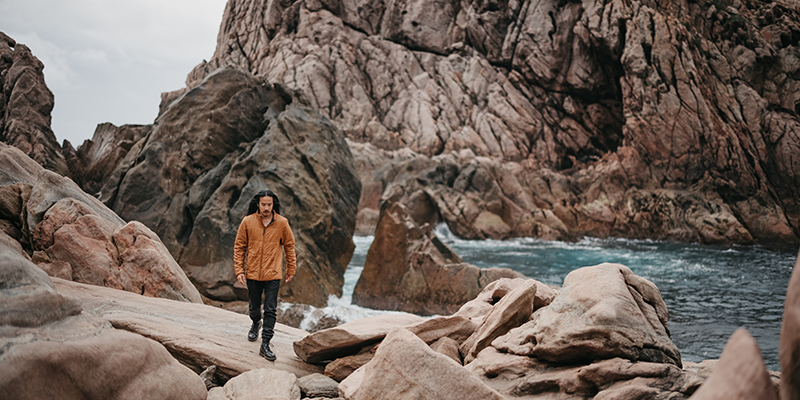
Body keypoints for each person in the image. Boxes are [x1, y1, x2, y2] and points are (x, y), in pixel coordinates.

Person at [233, 189, 296, 361]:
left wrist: (291, 269)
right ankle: (255, 323)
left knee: (270, 309)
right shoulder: (247, 222)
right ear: (258, 205)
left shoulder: (282, 223)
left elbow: (289, 246)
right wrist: (239, 270)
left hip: (273, 274)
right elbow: (239, 247)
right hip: (252, 273)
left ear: (273, 204)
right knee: (254, 307)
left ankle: (266, 343)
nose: (267, 207)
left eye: (269, 204)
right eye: (264, 204)